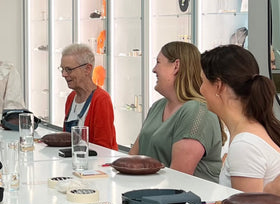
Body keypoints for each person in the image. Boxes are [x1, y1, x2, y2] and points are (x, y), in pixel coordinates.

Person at [129, 41, 223, 183]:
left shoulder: (196, 111)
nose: (154, 69)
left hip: (183, 203)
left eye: (158, 62)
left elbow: (178, 178)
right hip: (149, 196)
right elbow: (132, 160)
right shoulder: (158, 107)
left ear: (176, 66)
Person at [200, 44, 280, 192]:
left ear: (218, 86)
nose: (201, 89)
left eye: (203, 81)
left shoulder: (244, 145)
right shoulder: (256, 131)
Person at [60, 43, 117, 150]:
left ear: (87, 69)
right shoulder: (71, 98)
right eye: (62, 69)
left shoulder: (101, 100)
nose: (63, 74)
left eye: (69, 69)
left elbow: (104, 148)